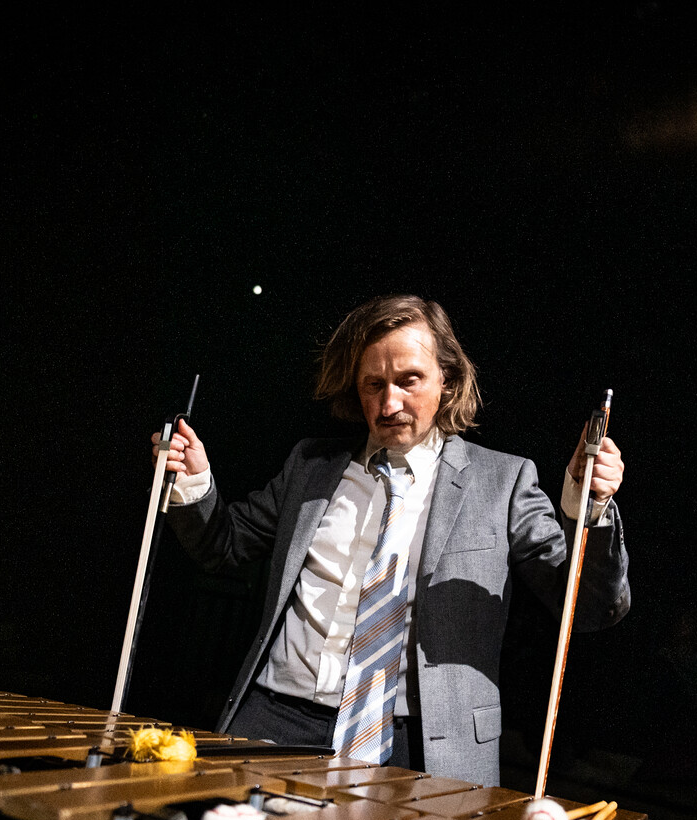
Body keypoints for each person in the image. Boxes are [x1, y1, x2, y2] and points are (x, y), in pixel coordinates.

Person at [154, 294, 628, 788]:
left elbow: (589, 606)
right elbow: (222, 547)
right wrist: (194, 482)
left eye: (409, 380)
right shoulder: (310, 467)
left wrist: (587, 508)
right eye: (373, 385)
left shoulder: (502, 482)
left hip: (421, 744)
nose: (389, 404)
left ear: (447, 379)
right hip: (277, 722)